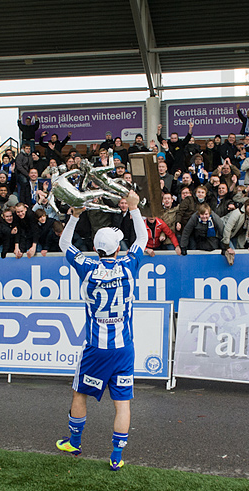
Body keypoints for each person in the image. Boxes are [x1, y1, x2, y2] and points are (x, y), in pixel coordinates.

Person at [55, 190, 148, 471]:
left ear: (97, 250)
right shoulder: (129, 265)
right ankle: (117, 456)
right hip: (124, 348)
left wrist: (74, 216)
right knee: (123, 404)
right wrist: (134, 209)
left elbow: (64, 243)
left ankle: (75, 441)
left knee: (80, 394)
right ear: (118, 249)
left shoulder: (87, 266)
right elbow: (142, 239)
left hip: (96, 347)